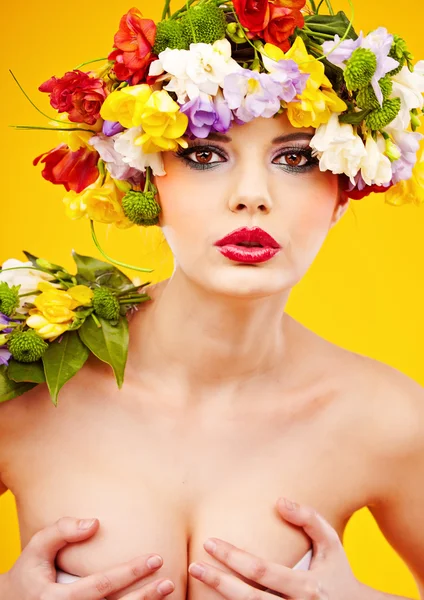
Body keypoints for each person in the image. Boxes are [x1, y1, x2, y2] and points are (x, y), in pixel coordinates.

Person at [0, 0, 424, 598]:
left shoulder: (387, 417)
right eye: (205, 154)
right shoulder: (24, 378)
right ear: (145, 180)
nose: (251, 196)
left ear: (343, 194)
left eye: (296, 158)